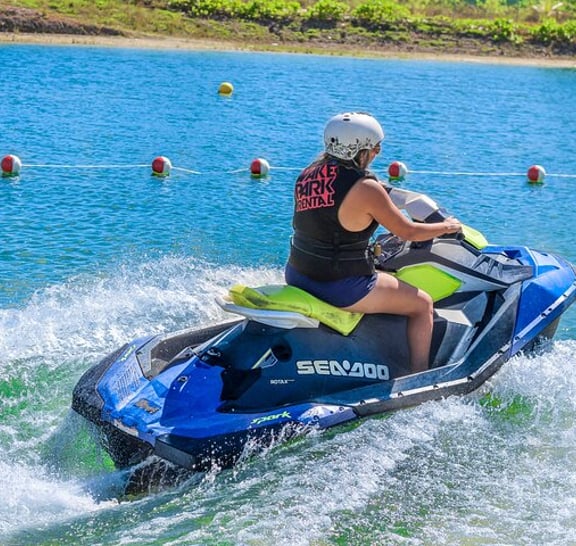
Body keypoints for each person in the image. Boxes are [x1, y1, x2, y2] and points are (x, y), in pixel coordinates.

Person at [285, 112, 462, 374]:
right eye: (375, 147)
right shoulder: (366, 188)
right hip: (339, 285)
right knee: (422, 304)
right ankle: (419, 374)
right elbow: (409, 231)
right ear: (359, 148)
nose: (377, 152)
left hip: (298, 274)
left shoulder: (307, 175)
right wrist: (448, 227)